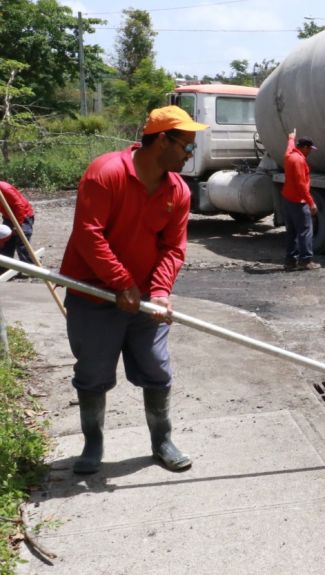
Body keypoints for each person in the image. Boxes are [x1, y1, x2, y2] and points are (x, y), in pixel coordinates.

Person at [60, 105, 207, 475]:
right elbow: (89, 235)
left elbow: (173, 248)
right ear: (162, 141)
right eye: (187, 146)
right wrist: (121, 282)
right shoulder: (106, 173)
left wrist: (160, 292)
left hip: (145, 301)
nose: (190, 155)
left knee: (157, 367)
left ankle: (162, 440)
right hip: (93, 295)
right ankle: (93, 443)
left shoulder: (177, 190)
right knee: (92, 373)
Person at [282, 130, 320, 271]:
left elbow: (289, 147)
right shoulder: (298, 160)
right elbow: (301, 185)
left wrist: (291, 138)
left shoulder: (289, 155)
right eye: (310, 148)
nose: (310, 151)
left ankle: (290, 261)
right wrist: (311, 203)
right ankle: (305, 261)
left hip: (288, 199)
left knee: (291, 232)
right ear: (304, 147)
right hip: (298, 201)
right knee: (305, 231)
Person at [0, 180, 34, 263]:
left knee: (22, 243)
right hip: (8, 217)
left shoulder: (5, 188)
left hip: (23, 215)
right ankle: (4, 266)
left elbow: (19, 206)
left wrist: (17, 225)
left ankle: (29, 267)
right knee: (5, 242)